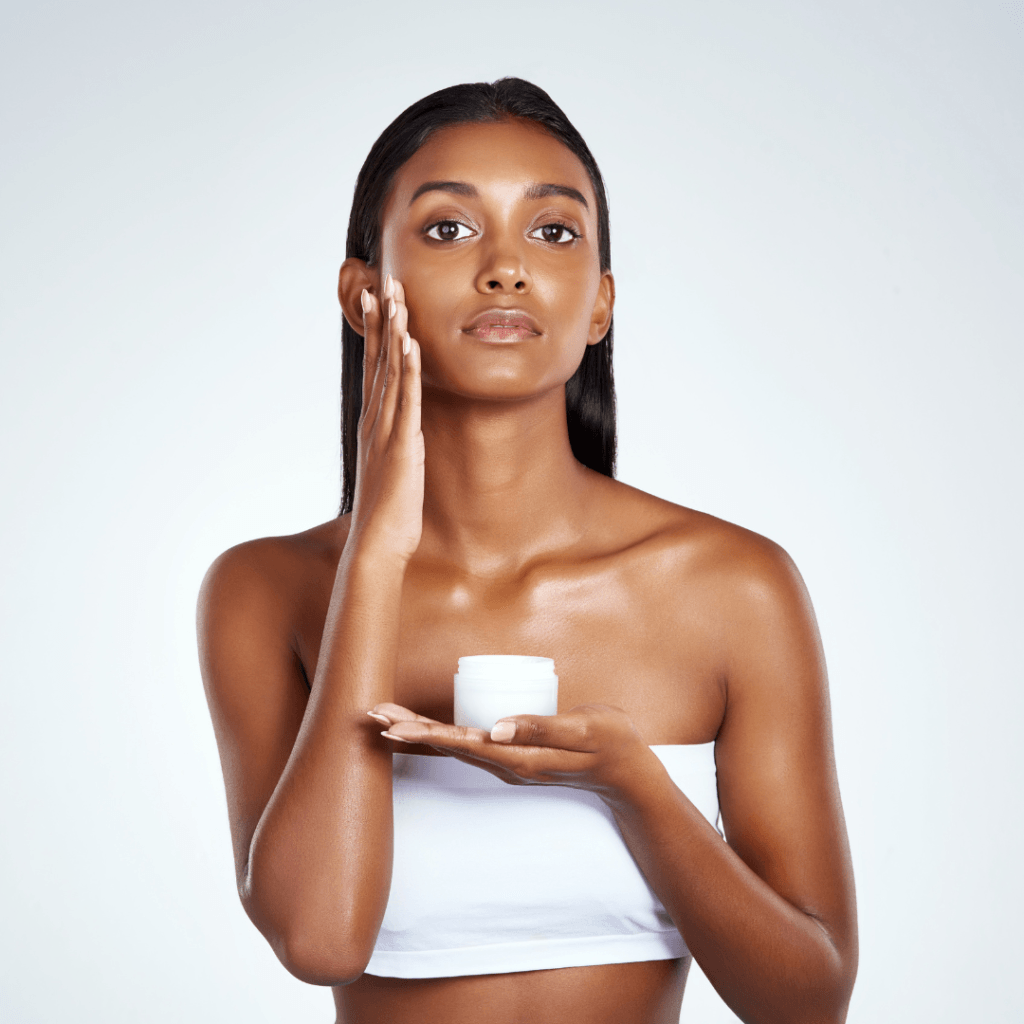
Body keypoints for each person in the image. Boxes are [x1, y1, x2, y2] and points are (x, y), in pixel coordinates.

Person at [197, 78, 858, 1024]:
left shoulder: (734, 588)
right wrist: (375, 559)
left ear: (600, 304)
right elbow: (320, 939)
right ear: (361, 295)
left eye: (553, 233)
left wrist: (633, 786)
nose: (506, 269)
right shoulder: (265, 588)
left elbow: (811, 1000)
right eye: (448, 230)